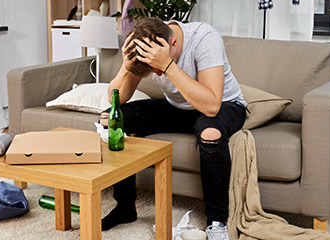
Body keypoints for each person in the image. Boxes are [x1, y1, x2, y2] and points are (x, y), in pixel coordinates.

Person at [99, 18, 247, 240]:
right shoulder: (147, 46)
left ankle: (216, 222)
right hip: (178, 107)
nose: (158, 75)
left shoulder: (204, 38)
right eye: (154, 71)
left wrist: (167, 65)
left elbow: (211, 105)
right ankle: (125, 207)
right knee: (111, 120)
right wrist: (127, 64)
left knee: (210, 133)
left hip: (223, 105)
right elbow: (115, 100)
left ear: (174, 44)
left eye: (158, 69)